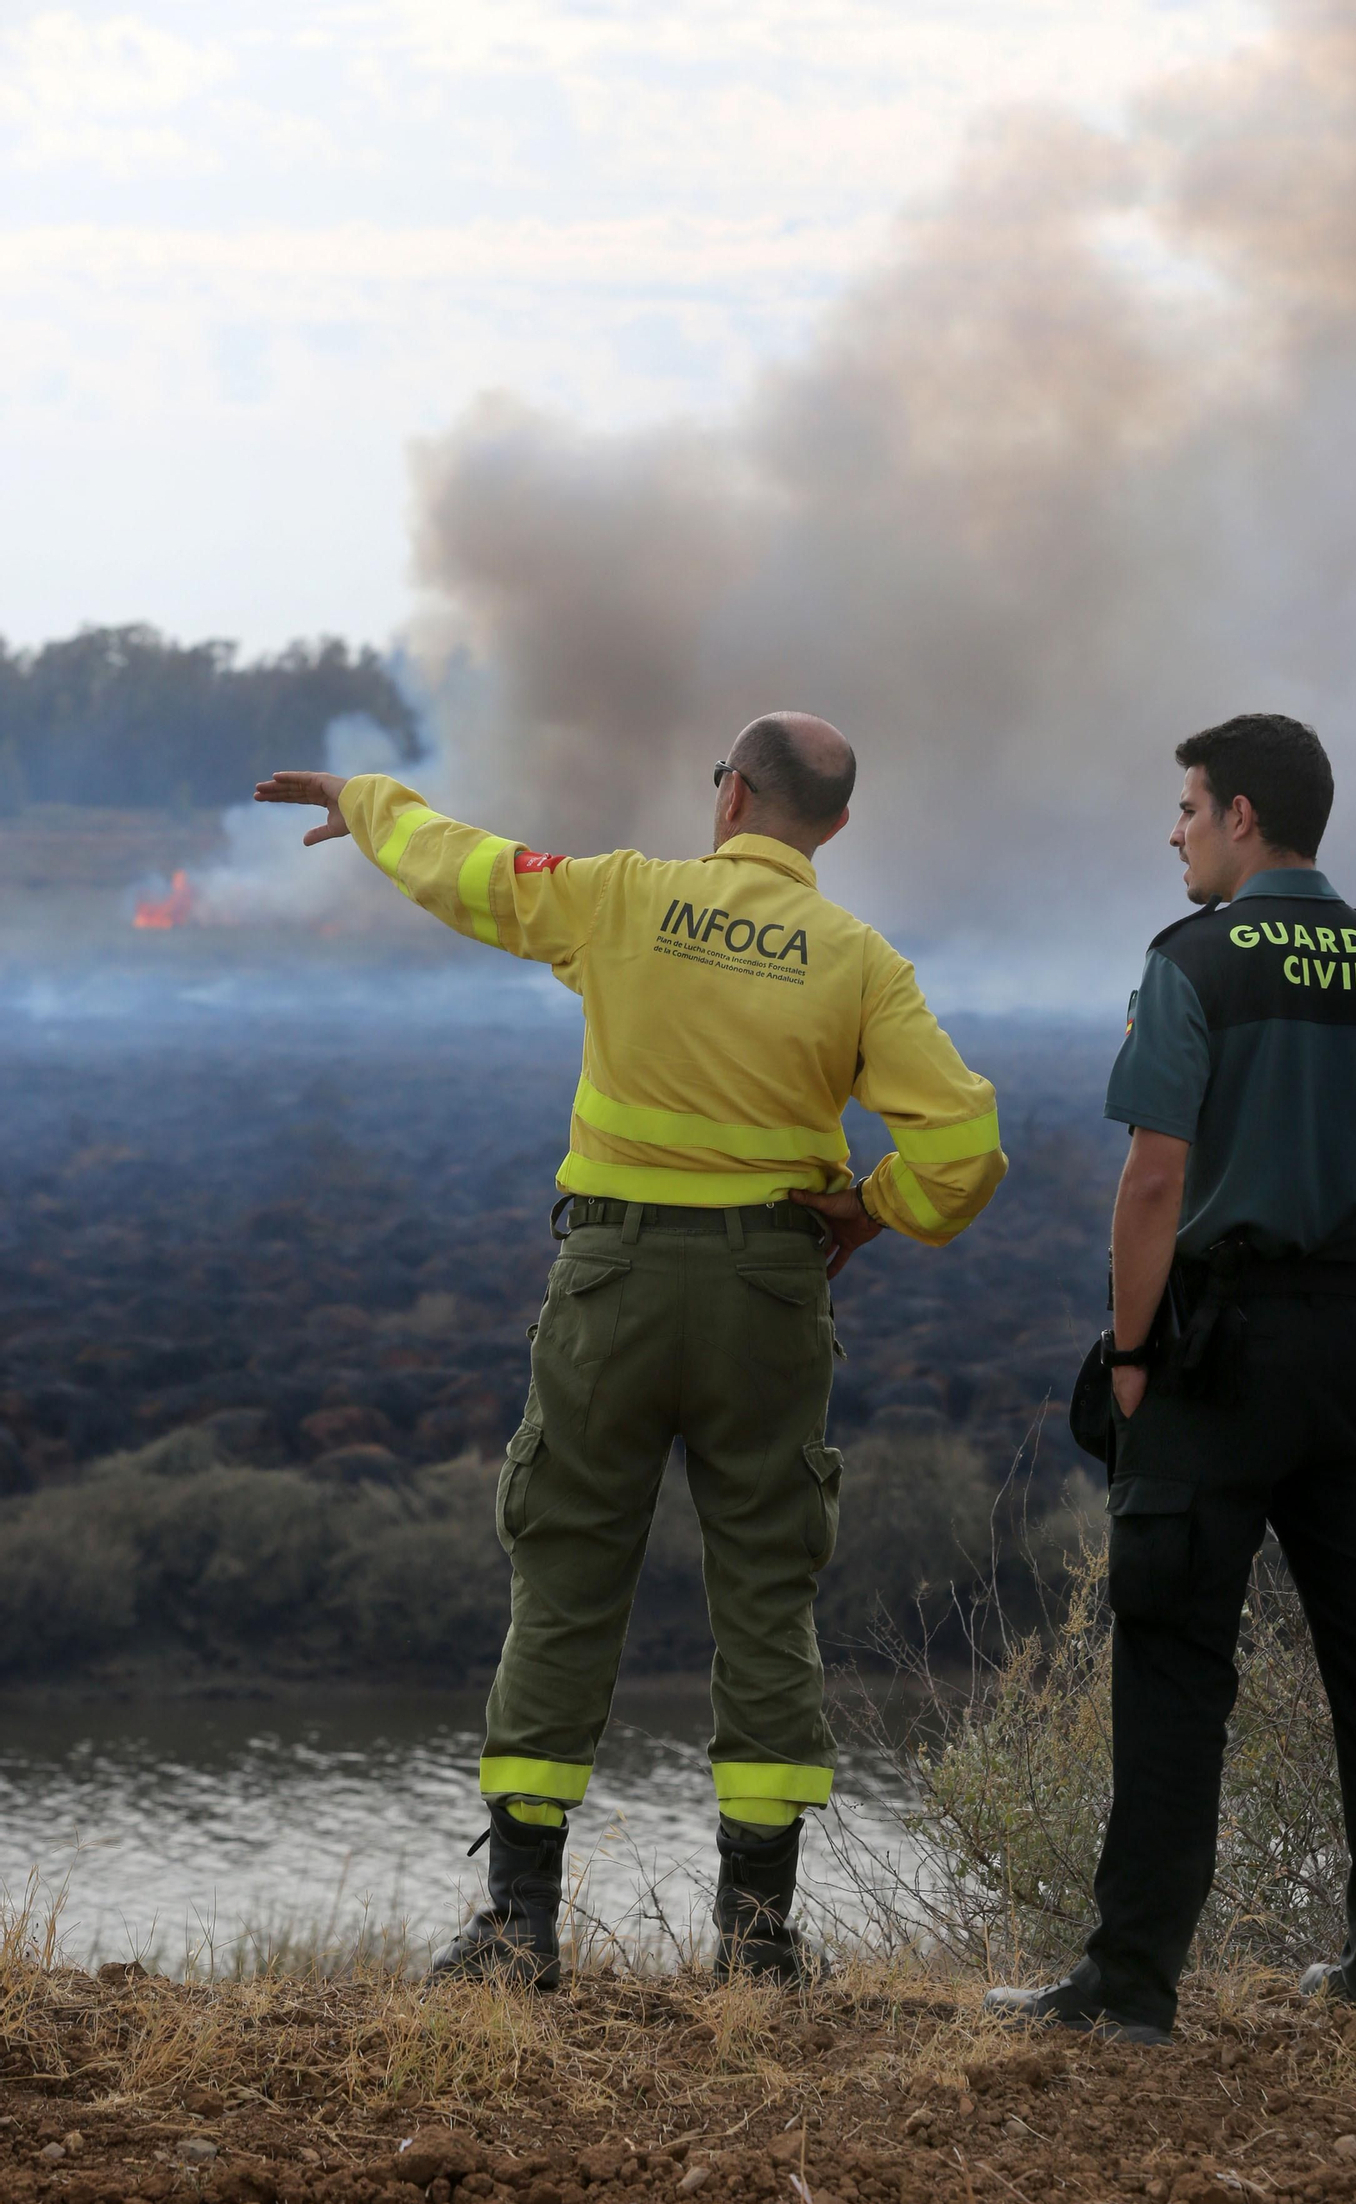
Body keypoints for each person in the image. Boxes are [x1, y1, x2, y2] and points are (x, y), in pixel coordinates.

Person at [256, 714, 1006, 1987]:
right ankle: (756, 1943)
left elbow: (469, 868)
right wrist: (872, 1208)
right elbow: (964, 1149)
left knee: (564, 1579)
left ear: (731, 795)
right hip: (770, 1296)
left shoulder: (621, 898)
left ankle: (518, 1925)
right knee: (765, 1591)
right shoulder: (860, 962)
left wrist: (365, 798)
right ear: (832, 824)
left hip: (611, 1288)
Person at [985, 712, 1356, 2044]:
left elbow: (1154, 1181)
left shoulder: (1193, 959)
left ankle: (1131, 1988)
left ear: (1242, 816)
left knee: (1173, 1661)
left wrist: (1131, 1353)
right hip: (1348, 1360)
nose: (1176, 832)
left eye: (1189, 807)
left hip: (1212, 1358)